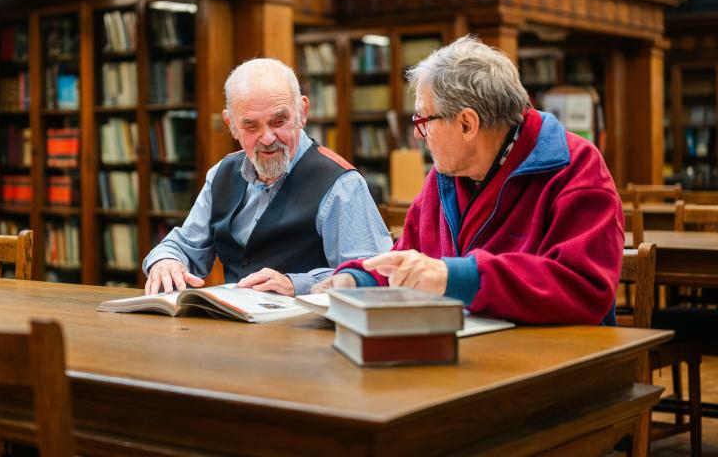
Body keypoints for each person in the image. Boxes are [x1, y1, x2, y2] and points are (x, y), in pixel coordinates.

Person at [315, 35, 623, 325]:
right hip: (467, 351)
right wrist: (357, 280)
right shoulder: (446, 175)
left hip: (559, 363)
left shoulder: (575, 167)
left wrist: (457, 278)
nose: (416, 134)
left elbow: (584, 288)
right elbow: (409, 260)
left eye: (423, 120)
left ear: (466, 124)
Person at [143, 58, 392, 296]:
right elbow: (185, 246)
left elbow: (373, 274)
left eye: (279, 120)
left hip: (307, 329)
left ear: (302, 112)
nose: (268, 138)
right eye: (251, 126)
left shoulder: (342, 185)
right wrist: (166, 261)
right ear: (231, 125)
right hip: (235, 329)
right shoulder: (221, 175)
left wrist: (298, 284)